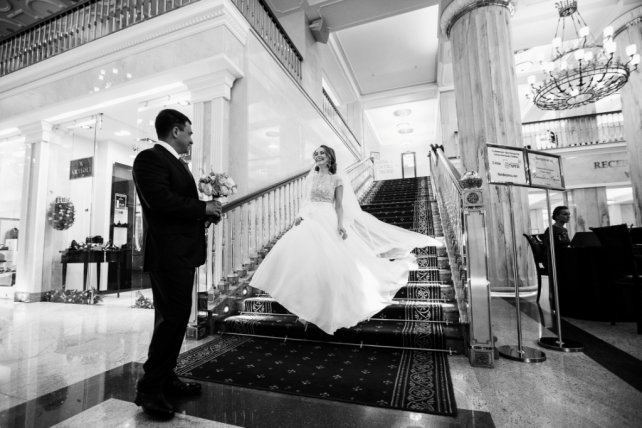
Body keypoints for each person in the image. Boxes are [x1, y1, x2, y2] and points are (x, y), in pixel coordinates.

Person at [249, 145, 442, 335]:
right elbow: (306, 200)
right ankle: (306, 308)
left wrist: (340, 225)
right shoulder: (311, 177)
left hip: (328, 218)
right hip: (309, 219)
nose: (318, 156)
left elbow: (339, 206)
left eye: (322, 153)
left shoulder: (337, 178)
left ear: (330, 157)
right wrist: (300, 215)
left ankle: (322, 309)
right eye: (316, 153)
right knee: (306, 262)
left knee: (328, 263)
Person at [132, 109, 222, 420]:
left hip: (181, 253)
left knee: (176, 318)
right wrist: (202, 207)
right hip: (168, 254)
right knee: (170, 321)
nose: (192, 139)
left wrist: (204, 215)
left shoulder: (175, 163)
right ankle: (149, 389)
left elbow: (176, 208)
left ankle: (166, 376)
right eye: (189, 132)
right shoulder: (149, 158)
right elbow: (160, 201)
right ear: (175, 131)